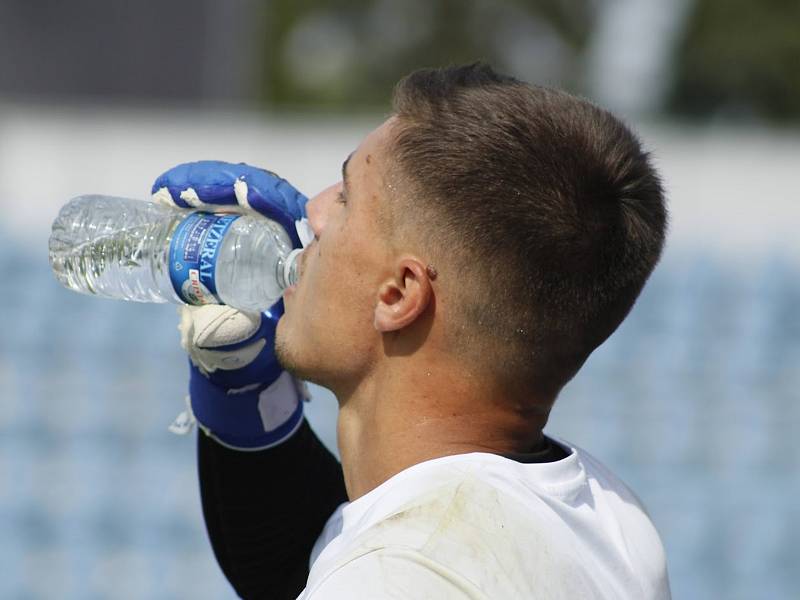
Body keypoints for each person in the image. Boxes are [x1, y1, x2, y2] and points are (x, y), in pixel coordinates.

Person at [152, 63, 671, 599]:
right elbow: (307, 560)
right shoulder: (613, 520)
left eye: (348, 195)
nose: (314, 211)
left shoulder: (394, 578)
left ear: (399, 294)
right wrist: (241, 393)